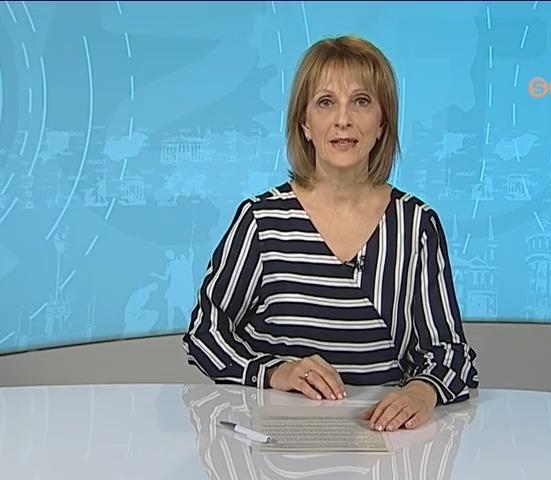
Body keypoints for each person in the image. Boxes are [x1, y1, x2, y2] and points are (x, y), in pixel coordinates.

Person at [183, 35, 478, 432]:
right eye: (326, 102)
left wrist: (423, 391)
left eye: (361, 101)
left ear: (382, 123)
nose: (343, 119)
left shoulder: (415, 224)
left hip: (382, 440)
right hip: (272, 444)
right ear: (304, 124)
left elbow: (450, 354)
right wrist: (274, 372)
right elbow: (205, 333)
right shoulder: (261, 220)